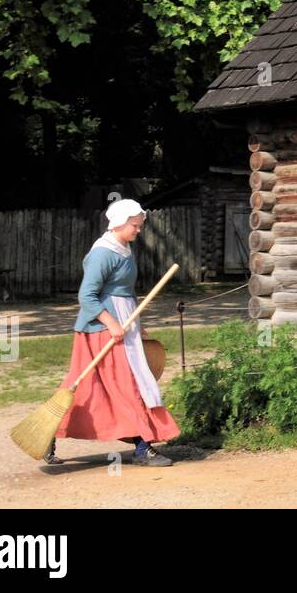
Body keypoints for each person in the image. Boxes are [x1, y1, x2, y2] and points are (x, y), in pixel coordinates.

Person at [47, 198, 180, 466]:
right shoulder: (102, 253)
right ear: (120, 223)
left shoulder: (125, 248)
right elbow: (87, 296)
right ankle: (143, 448)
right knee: (124, 384)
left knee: (106, 386)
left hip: (124, 322)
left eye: (140, 225)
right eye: (135, 225)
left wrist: (137, 324)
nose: (139, 230)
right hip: (101, 330)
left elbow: (127, 292)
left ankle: (49, 431)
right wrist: (111, 323)